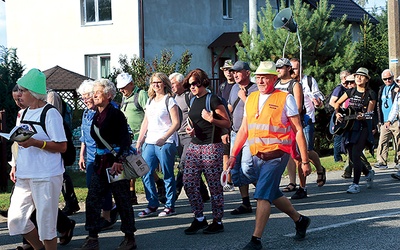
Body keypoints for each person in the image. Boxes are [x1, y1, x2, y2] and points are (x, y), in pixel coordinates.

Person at [227, 61, 311, 250]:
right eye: (259, 77)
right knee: (271, 192)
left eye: (265, 77)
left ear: (275, 78)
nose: (262, 80)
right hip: (257, 155)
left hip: (277, 155)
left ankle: (255, 240)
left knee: (263, 195)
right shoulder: (252, 97)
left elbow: (298, 130)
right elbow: (244, 129)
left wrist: (304, 160)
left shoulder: (285, 98)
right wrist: (233, 154)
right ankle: (300, 220)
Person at [9, 85, 76, 250]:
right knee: (16, 219)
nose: (18, 95)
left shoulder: (50, 113)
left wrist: (35, 142)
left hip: (46, 174)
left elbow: (62, 146)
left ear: (33, 93)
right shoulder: (22, 114)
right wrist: (14, 164)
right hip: (24, 173)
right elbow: (18, 143)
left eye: (22, 91)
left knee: (46, 223)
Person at [78, 78, 136, 250]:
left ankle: (129, 237)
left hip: (115, 164)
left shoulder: (116, 114)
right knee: (92, 199)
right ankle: (92, 237)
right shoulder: (95, 115)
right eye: (94, 92)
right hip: (100, 164)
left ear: (109, 95)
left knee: (122, 199)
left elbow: (125, 139)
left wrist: (119, 160)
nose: (94, 95)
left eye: (98, 92)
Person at [182, 68, 231, 235]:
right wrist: (192, 130)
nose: (192, 87)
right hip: (195, 146)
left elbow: (227, 123)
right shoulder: (192, 99)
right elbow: (194, 120)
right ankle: (199, 218)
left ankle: (217, 220)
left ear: (203, 82)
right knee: (188, 181)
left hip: (212, 146)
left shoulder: (213, 99)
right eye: (190, 85)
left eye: (195, 84)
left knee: (214, 185)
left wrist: (212, 119)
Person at [136, 72, 180, 217]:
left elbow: (176, 123)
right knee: (145, 171)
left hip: (165, 141)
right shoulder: (150, 101)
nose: (156, 85)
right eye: (153, 82)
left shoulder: (169, 100)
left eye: (159, 82)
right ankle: (152, 203)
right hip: (150, 140)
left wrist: (165, 137)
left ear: (164, 84)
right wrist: (140, 140)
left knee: (167, 173)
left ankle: (169, 205)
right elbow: (146, 122)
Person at [77, 79, 118, 231]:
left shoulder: (111, 111)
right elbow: (84, 137)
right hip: (90, 157)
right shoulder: (86, 113)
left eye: (88, 95)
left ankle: (106, 217)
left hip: (106, 156)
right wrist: (82, 155)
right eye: (83, 96)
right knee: (91, 187)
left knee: (105, 188)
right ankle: (111, 208)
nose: (85, 99)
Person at [334, 67, 377, 194]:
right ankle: (368, 172)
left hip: (363, 128)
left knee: (356, 154)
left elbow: (370, 114)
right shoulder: (350, 92)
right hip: (350, 127)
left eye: (362, 76)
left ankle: (355, 184)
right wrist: (337, 114)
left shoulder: (371, 94)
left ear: (367, 79)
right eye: (357, 75)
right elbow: (336, 104)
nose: (358, 78)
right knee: (352, 155)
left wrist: (363, 116)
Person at [169, 72, 210, 202]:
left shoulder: (189, 96)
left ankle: (175, 192)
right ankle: (204, 194)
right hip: (178, 136)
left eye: (174, 83)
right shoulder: (172, 98)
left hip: (189, 136)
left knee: (183, 164)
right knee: (191, 166)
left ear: (181, 83)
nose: (172, 86)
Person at [290, 58, 326, 200]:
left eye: (296, 68)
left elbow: (319, 100)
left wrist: (317, 102)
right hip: (290, 122)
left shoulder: (308, 81)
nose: (293, 71)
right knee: (297, 155)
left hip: (306, 120)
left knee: (306, 151)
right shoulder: (286, 83)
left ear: (301, 68)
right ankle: (302, 184)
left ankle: (314, 174)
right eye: (291, 68)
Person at [227, 61, 258, 215]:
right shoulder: (233, 88)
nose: (235, 74)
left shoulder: (256, 89)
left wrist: (244, 98)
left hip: (250, 134)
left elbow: (257, 111)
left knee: (247, 167)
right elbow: (230, 108)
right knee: (236, 170)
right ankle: (246, 203)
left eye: (238, 71)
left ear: (247, 72)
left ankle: (265, 191)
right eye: (234, 72)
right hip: (235, 132)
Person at [117, 72, 150, 205]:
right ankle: (132, 194)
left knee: (139, 165)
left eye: (123, 87)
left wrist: (143, 135)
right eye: (120, 88)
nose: (121, 90)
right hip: (127, 137)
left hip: (139, 136)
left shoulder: (140, 95)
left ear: (131, 84)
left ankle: (154, 189)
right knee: (133, 165)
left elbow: (148, 114)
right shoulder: (125, 97)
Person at [46, 89, 80, 216]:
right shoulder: (50, 95)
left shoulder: (51, 95)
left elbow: (53, 114)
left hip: (57, 139)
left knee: (62, 174)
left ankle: (71, 202)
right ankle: (72, 202)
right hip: (59, 138)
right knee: (62, 174)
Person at [274, 58, 303, 194]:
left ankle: (302, 185)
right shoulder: (276, 84)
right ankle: (292, 181)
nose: (278, 70)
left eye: (281, 67)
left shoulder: (294, 84)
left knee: (297, 154)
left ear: (288, 68)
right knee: (286, 154)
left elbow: (297, 107)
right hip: (278, 126)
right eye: (277, 68)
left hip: (291, 124)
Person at [374, 69, 400, 169]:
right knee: (382, 141)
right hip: (385, 120)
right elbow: (378, 105)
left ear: (393, 78)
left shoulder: (397, 88)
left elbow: (396, 107)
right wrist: (379, 120)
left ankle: (398, 161)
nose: (387, 81)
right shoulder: (381, 88)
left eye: (389, 78)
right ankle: (381, 161)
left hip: (396, 120)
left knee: (398, 141)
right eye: (385, 79)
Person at [217, 59, 235, 191]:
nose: (228, 72)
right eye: (226, 70)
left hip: (238, 124)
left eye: (231, 70)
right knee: (225, 154)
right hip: (226, 124)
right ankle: (227, 181)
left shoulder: (238, 86)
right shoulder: (222, 87)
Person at [329, 70, 351, 163]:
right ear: (345, 78)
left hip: (346, 115)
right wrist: (339, 109)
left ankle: (346, 155)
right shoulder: (339, 89)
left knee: (345, 136)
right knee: (338, 135)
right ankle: (337, 158)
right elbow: (332, 102)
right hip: (339, 115)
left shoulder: (347, 88)